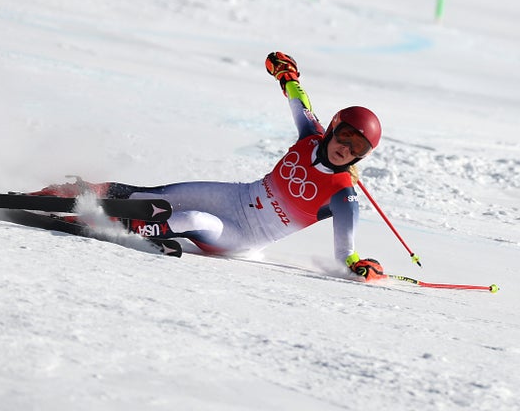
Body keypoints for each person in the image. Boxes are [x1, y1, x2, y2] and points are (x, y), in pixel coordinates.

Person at [36, 52, 385, 281]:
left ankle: (114, 225)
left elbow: (345, 254)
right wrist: (287, 75)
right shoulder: (311, 136)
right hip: (238, 197)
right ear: (334, 128)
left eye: (357, 148)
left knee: (191, 220)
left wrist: (359, 266)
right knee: (159, 195)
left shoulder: (344, 196)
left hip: (242, 236)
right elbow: (298, 99)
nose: (345, 149)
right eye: (344, 137)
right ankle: (71, 194)